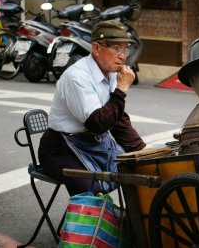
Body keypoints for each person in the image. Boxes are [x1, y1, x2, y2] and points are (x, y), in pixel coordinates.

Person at [38, 20, 146, 195]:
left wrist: (141, 151)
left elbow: (117, 119)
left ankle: (130, 222)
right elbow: (98, 123)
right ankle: (88, 222)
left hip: (94, 144)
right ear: (96, 48)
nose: (123, 56)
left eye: (125, 49)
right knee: (92, 189)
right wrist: (122, 89)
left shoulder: (109, 73)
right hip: (61, 149)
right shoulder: (77, 77)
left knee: (136, 171)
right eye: (117, 48)